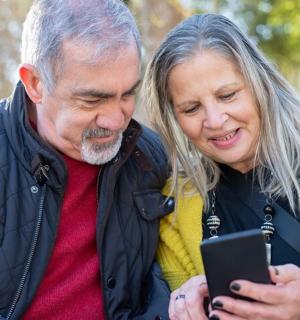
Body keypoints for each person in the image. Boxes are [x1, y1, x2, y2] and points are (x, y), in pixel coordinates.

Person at [0, 0, 173, 319]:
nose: (116, 120)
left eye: (127, 94)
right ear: (35, 84)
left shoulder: (149, 157)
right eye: (93, 99)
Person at [145, 13, 300, 320]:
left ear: (259, 82)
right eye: (191, 108)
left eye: (227, 95)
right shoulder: (176, 210)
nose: (215, 121)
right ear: (174, 117)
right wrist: (183, 307)